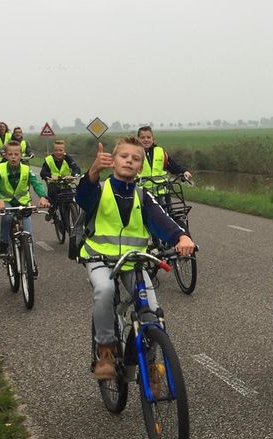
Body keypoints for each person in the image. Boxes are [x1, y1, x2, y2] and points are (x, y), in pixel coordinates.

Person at [76, 138, 195, 380]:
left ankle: (147, 365)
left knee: (151, 311)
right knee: (105, 291)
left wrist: (181, 237)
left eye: (136, 158)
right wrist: (93, 172)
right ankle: (106, 351)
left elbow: (162, 220)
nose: (130, 161)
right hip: (100, 259)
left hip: (134, 261)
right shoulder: (99, 190)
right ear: (114, 161)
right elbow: (82, 197)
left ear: (140, 167)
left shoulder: (143, 195)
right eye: (124, 156)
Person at [0, 141, 50, 257]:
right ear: (6, 155)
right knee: (7, 218)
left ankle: (31, 263)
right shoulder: (0, 169)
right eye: (10, 154)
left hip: (23, 202)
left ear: (21, 155)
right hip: (6, 202)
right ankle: (3, 244)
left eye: (16, 154)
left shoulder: (26, 169)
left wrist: (42, 197)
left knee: (28, 234)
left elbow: (36, 184)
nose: (13, 157)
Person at [137, 125, 193, 204]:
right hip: (142, 194)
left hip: (161, 193)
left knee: (165, 214)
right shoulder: (134, 153)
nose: (146, 140)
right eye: (142, 138)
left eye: (148, 137)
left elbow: (173, 166)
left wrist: (184, 172)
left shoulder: (160, 152)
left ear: (153, 139)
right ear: (138, 139)